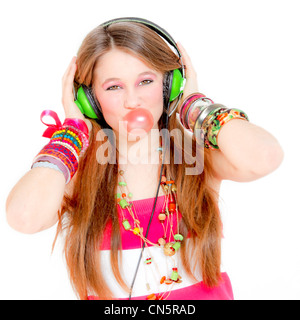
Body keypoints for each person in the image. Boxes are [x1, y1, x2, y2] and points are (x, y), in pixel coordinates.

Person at [5, 18, 284, 300]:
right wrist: (73, 134)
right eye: (114, 87)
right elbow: (24, 217)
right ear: (89, 100)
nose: (133, 101)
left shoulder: (197, 158)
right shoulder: (72, 173)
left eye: (146, 81)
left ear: (170, 86)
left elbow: (265, 156)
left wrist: (194, 107)